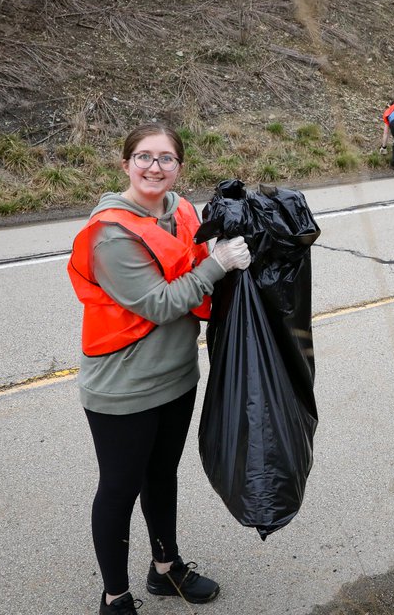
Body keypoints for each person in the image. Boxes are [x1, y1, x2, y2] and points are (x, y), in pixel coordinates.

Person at [67, 122, 252, 615]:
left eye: (166, 158)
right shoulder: (110, 234)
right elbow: (159, 303)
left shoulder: (181, 210)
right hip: (124, 387)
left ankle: (165, 568)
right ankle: (115, 597)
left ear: (179, 167)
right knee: (119, 489)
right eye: (144, 157)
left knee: (162, 476)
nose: (155, 167)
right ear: (126, 164)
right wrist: (218, 263)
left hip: (177, 376)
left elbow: (202, 269)